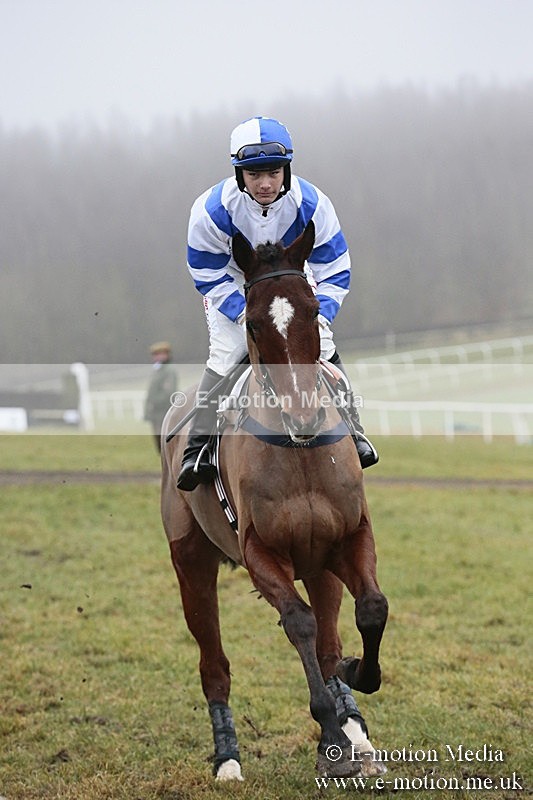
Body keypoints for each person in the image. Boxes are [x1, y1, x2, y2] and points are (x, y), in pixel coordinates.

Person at [177, 116, 378, 491]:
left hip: (293, 284)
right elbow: (206, 271)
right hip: (236, 287)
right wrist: (244, 314)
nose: (265, 184)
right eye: (254, 175)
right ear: (239, 174)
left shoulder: (313, 204)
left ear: (286, 169)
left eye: (273, 172)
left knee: (323, 345)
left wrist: (320, 315)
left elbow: (334, 267)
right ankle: (197, 448)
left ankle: (354, 431)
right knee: (227, 353)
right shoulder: (210, 211)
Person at [144, 342, 177, 452]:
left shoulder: (169, 370)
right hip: (156, 412)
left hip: (164, 410)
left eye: (160, 354)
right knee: (159, 443)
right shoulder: (157, 370)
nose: (157, 357)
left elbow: (169, 392)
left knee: (165, 443)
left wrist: (154, 402)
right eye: (155, 354)